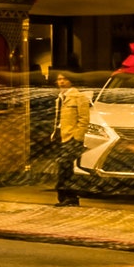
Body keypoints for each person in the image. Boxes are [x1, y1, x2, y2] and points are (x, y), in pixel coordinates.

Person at [52, 74, 91, 206]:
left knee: (65, 166)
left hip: (71, 137)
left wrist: (77, 137)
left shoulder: (79, 97)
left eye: (64, 79)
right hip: (60, 136)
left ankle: (68, 195)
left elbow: (84, 119)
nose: (61, 82)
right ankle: (68, 197)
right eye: (59, 79)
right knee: (64, 167)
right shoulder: (60, 98)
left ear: (71, 81)